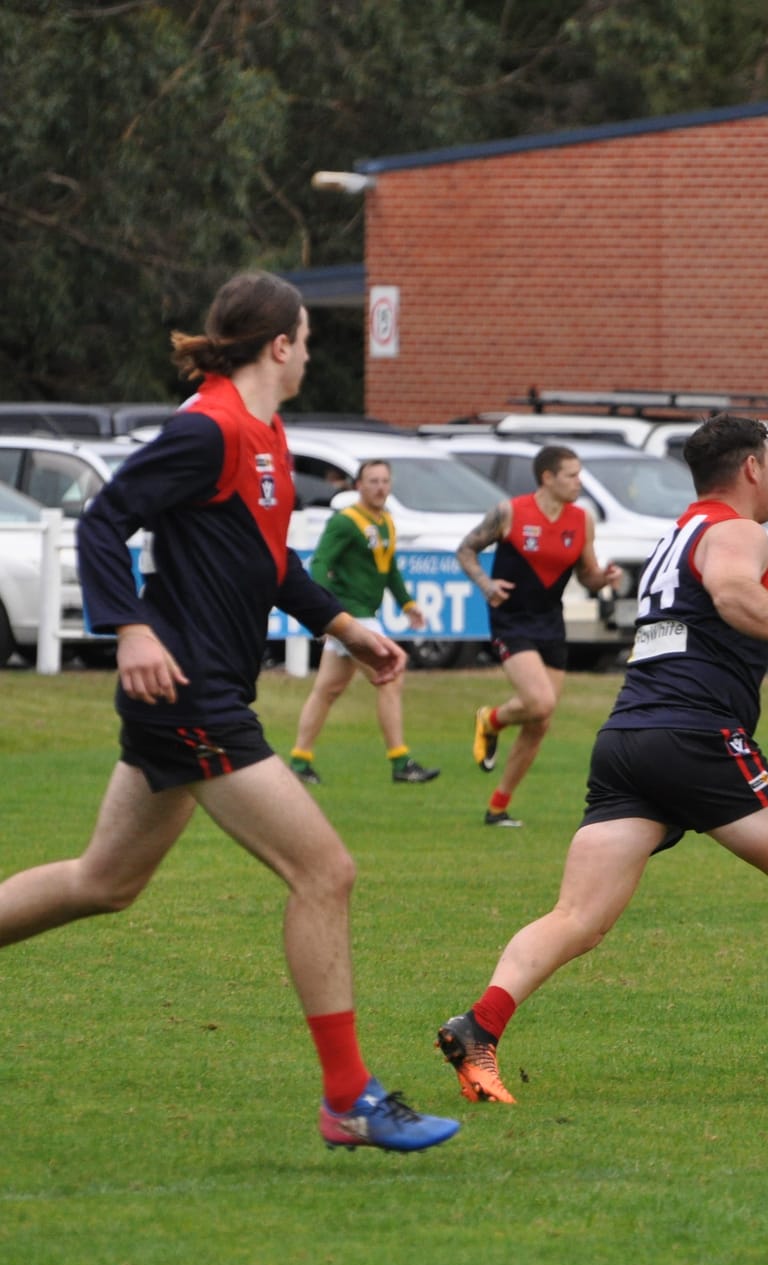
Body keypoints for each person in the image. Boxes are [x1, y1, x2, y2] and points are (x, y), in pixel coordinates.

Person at [0, 272, 457, 1152]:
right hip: (193, 693)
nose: (311, 353)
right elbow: (103, 523)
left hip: (196, 693)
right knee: (325, 872)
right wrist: (129, 627)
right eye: (308, 341)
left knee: (105, 882)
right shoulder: (207, 427)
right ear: (281, 343)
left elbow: (265, 557)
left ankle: (347, 1099)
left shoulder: (265, 434)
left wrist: (345, 624)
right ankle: (347, 1098)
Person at [436, 415, 768, 1102]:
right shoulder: (738, 530)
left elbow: (705, 617)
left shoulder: (679, 534)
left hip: (628, 740)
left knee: (579, 918)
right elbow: (733, 593)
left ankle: (478, 1027)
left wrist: (764, 629)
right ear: (753, 469)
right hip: (695, 736)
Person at [458, 445, 624, 826]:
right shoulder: (510, 512)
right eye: (571, 475)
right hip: (511, 620)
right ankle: (491, 719)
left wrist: (604, 579)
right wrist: (485, 583)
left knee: (540, 722)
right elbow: (466, 550)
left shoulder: (582, 520)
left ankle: (498, 807)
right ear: (547, 478)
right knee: (539, 701)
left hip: (551, 622)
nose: (579, 482)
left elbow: (587, 575)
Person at [289, 459, 441, 785]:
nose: (380, 487)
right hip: (352, 615)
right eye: (372, 480)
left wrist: (408, 604)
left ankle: (300, 762)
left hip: (360, 616)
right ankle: (401, 763)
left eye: (385, 480)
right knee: (390, 678)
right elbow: (319, 566)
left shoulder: (386, 521)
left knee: (327, 690)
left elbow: (390, 569)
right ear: (358, 485)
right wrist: (327, 614)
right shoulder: (345, 522)